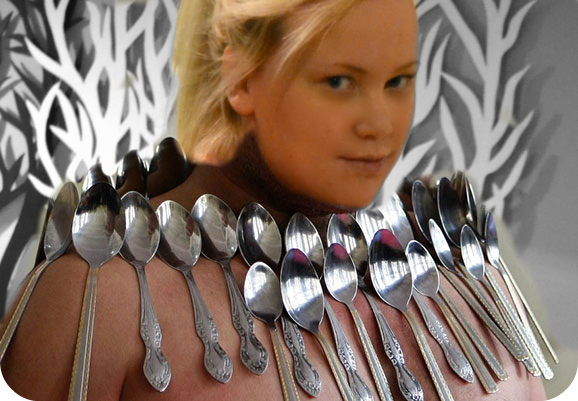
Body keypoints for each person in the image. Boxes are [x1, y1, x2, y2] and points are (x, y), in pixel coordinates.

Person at [0, 0, 548, 400]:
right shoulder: (96, 293)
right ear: (240, 78)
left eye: (398, 81)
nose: (380, 125)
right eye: (340, 81)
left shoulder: (467, 273)